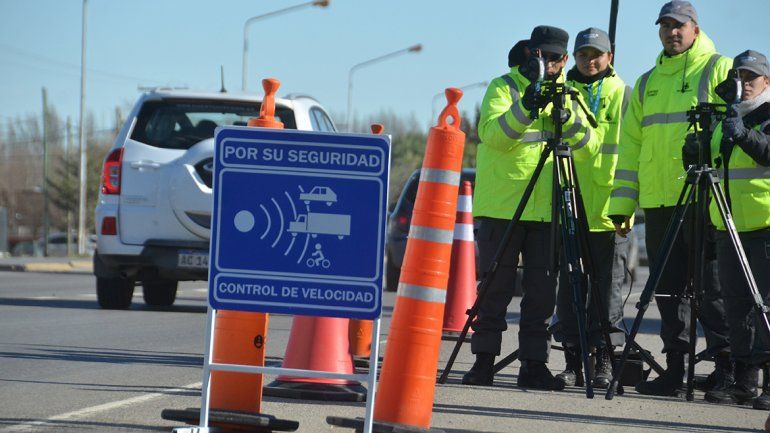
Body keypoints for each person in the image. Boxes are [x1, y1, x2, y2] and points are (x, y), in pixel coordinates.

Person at [608, 0, 732, 396]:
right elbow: (629, 149)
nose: (671, 32)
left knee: (713, 288)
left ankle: (728, 370)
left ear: (695, 28)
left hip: (704, 198)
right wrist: (623, 204)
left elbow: (739, 124)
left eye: (679, 25)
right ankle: (675, 370)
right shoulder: (646, 82)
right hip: (660, 203)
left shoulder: (719, 68)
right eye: (665, 26)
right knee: (667, 290)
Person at [463, 25, 597, 390]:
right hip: (503, 208)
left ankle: (534, 365)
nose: (549, 63)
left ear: (564, 60)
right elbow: (494, 136)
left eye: (556, 58)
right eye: (542, 55)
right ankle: (483, 363)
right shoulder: (503, 87)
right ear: (529, 53)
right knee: (494, 290)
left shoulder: (568, 95)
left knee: (540, 295)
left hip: (546, 210)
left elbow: (591, 145)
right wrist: (527, 105)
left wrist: (567, 119)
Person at [552, 27, 629, 389]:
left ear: (609, 57)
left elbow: (624, 150)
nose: (590, 60)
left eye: (597, 54)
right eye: (583, 54)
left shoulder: (622, 93)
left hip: (610, 203)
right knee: (570, 286)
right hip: (569, 199)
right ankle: (571, 361)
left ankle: (604, 360)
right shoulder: (562, 93)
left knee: (607, 287)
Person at [698, 50, 770, 408]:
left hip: (765, 224)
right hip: (727, 224)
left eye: (751, 79)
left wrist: (743, 134)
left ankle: (769, 382)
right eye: (738, 77)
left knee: (767, 306)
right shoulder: (725, 115)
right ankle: (743, 379)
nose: (743, 85)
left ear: (766, 83)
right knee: (736, 306)